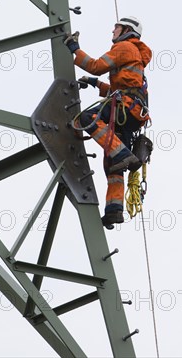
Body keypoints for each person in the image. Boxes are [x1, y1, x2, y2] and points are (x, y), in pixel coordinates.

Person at [64, 16, 152, 228]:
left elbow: (95, 65)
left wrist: (74, 48)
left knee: (86, 118)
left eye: (116, 28)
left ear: (126, 30)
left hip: (126, 108)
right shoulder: (133, 53)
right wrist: (96, 84)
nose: (112, 31)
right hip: (132, 111)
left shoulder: (125, 47)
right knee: (113, 166)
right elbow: (120, 88)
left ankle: (122, 153)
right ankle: (114, 211)